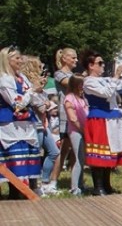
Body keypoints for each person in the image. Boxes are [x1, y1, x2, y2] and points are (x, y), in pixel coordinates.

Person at [83, 50, 122, 195]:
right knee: (100, 151)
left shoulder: (105, 79)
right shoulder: (88, 81)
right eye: (100, 63)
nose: (103, 65)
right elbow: (106, 93)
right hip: (99, 118)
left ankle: (107, 184)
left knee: (111, 150)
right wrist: (116, 76)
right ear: (91, 65)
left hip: (111, 117)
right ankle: (98, 186)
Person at [0, 46, 43, 199]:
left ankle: (27, 191)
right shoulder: (4, 79)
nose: (20, 61)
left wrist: (38, 93)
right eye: (16, 58)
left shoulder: (22, 78)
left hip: (27, 123)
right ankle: (14, 193)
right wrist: (32, 91)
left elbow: (31, 99)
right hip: (11, 124)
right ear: (7, 60)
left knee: (28, 156)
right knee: (13, 158)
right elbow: (16, 103)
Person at [21, 56, 61, 195]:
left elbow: (45, 104)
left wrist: (47, 102)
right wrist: (45, 103)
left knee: (54, 152)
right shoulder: (29, 86)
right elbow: (38, 106)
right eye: (40, 67)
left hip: (43, 124)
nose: (42, 70)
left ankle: (44, 182)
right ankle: (34, 185)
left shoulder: (39, 86)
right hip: (34, 125)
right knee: (35, 155)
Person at [54, 48, 78, 177]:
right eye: (73, 58)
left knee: (77, 150)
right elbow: (71, 85)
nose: (76, 60)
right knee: (64, 149)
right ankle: (53, 180)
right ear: (64, 58)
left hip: (76, 114)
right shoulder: (59, 74)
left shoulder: (75, 75)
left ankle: (75, 180)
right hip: (66, 115)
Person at [64, 74, 88, 195]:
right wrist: (82, 130)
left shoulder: (82, 98)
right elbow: (73, 118)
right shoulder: (69, 98)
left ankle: (80, 184)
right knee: (78, 159)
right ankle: (74, 187)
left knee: (82, 158)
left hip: (84, 130)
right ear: (76, 85)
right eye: (81, 84)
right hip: (75, 131)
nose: (83, 86)